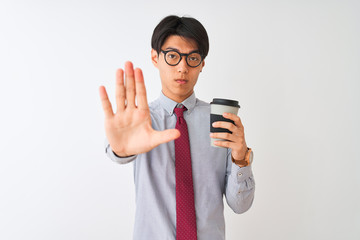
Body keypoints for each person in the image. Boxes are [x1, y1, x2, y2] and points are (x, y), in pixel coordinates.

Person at [99, 15, 255, 240]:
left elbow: (240, 205)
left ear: (202, 64)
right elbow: (117, 151)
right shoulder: (141, 119)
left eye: (192, 58)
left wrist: (241, 158)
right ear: (155, 57)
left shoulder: (219, 120)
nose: (182, 67)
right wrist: (122, 149)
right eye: (172, 56)